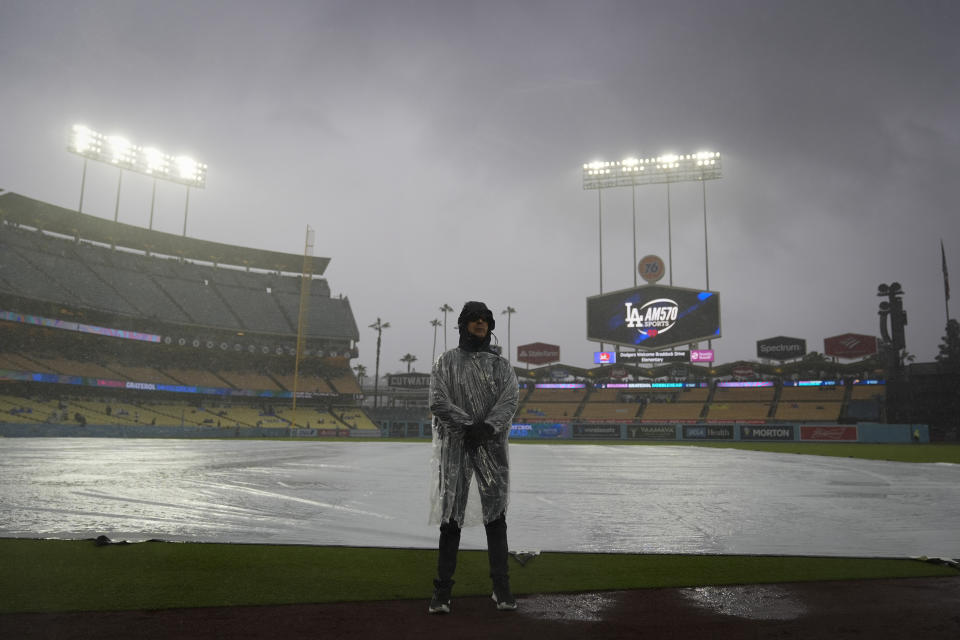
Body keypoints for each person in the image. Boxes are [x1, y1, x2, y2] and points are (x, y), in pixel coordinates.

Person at [427, 301, 519, 614]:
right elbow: (438, 400)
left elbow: (509, 400)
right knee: (451, 517)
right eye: (474, 319)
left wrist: (487, 427)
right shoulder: (447, 361)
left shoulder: (501, 365)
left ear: (490, 326)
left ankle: (501, 587)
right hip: (457, 446)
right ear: (464, 324)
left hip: (490, 446)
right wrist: (469, 427)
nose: (481, 324)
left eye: (485, 320)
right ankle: (442, 591)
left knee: (496, 517)